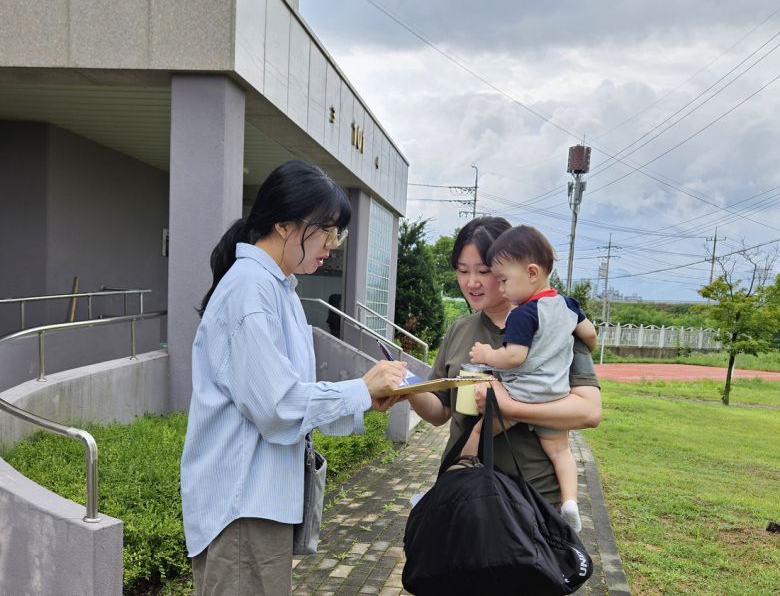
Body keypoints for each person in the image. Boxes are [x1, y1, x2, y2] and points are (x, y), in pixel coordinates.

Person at [180, 159, 407, 596]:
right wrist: (360, 389)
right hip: (242, 505)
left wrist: (367, 397)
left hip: (254, 503)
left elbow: (284, 397)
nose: (333, 244)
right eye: (326, 230)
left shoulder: (275, 286)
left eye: (336, 232)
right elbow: (278, 406)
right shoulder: (251, 289)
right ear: (285, 226)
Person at [401, 216, 601, 512]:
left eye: (484, 271)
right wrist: (408, 388)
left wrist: (507, 407)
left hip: (533, 499)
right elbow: (441, 412)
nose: (471, 283)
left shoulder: (556, 326)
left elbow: (589, 412)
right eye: (462, 271)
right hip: (464, 492)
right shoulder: (460, 329)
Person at [468, 224, 598, 532]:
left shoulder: (523, 314)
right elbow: (590, 334)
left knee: (477, 433)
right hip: (556, 396)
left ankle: (462, 474)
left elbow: (514, 357)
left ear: (531, 272)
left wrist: (487, 355)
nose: (500, 288)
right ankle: (570, 502)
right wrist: (580, 347)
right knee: (561, 451)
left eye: (503, 280)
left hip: (520, 394)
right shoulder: (567, 305)